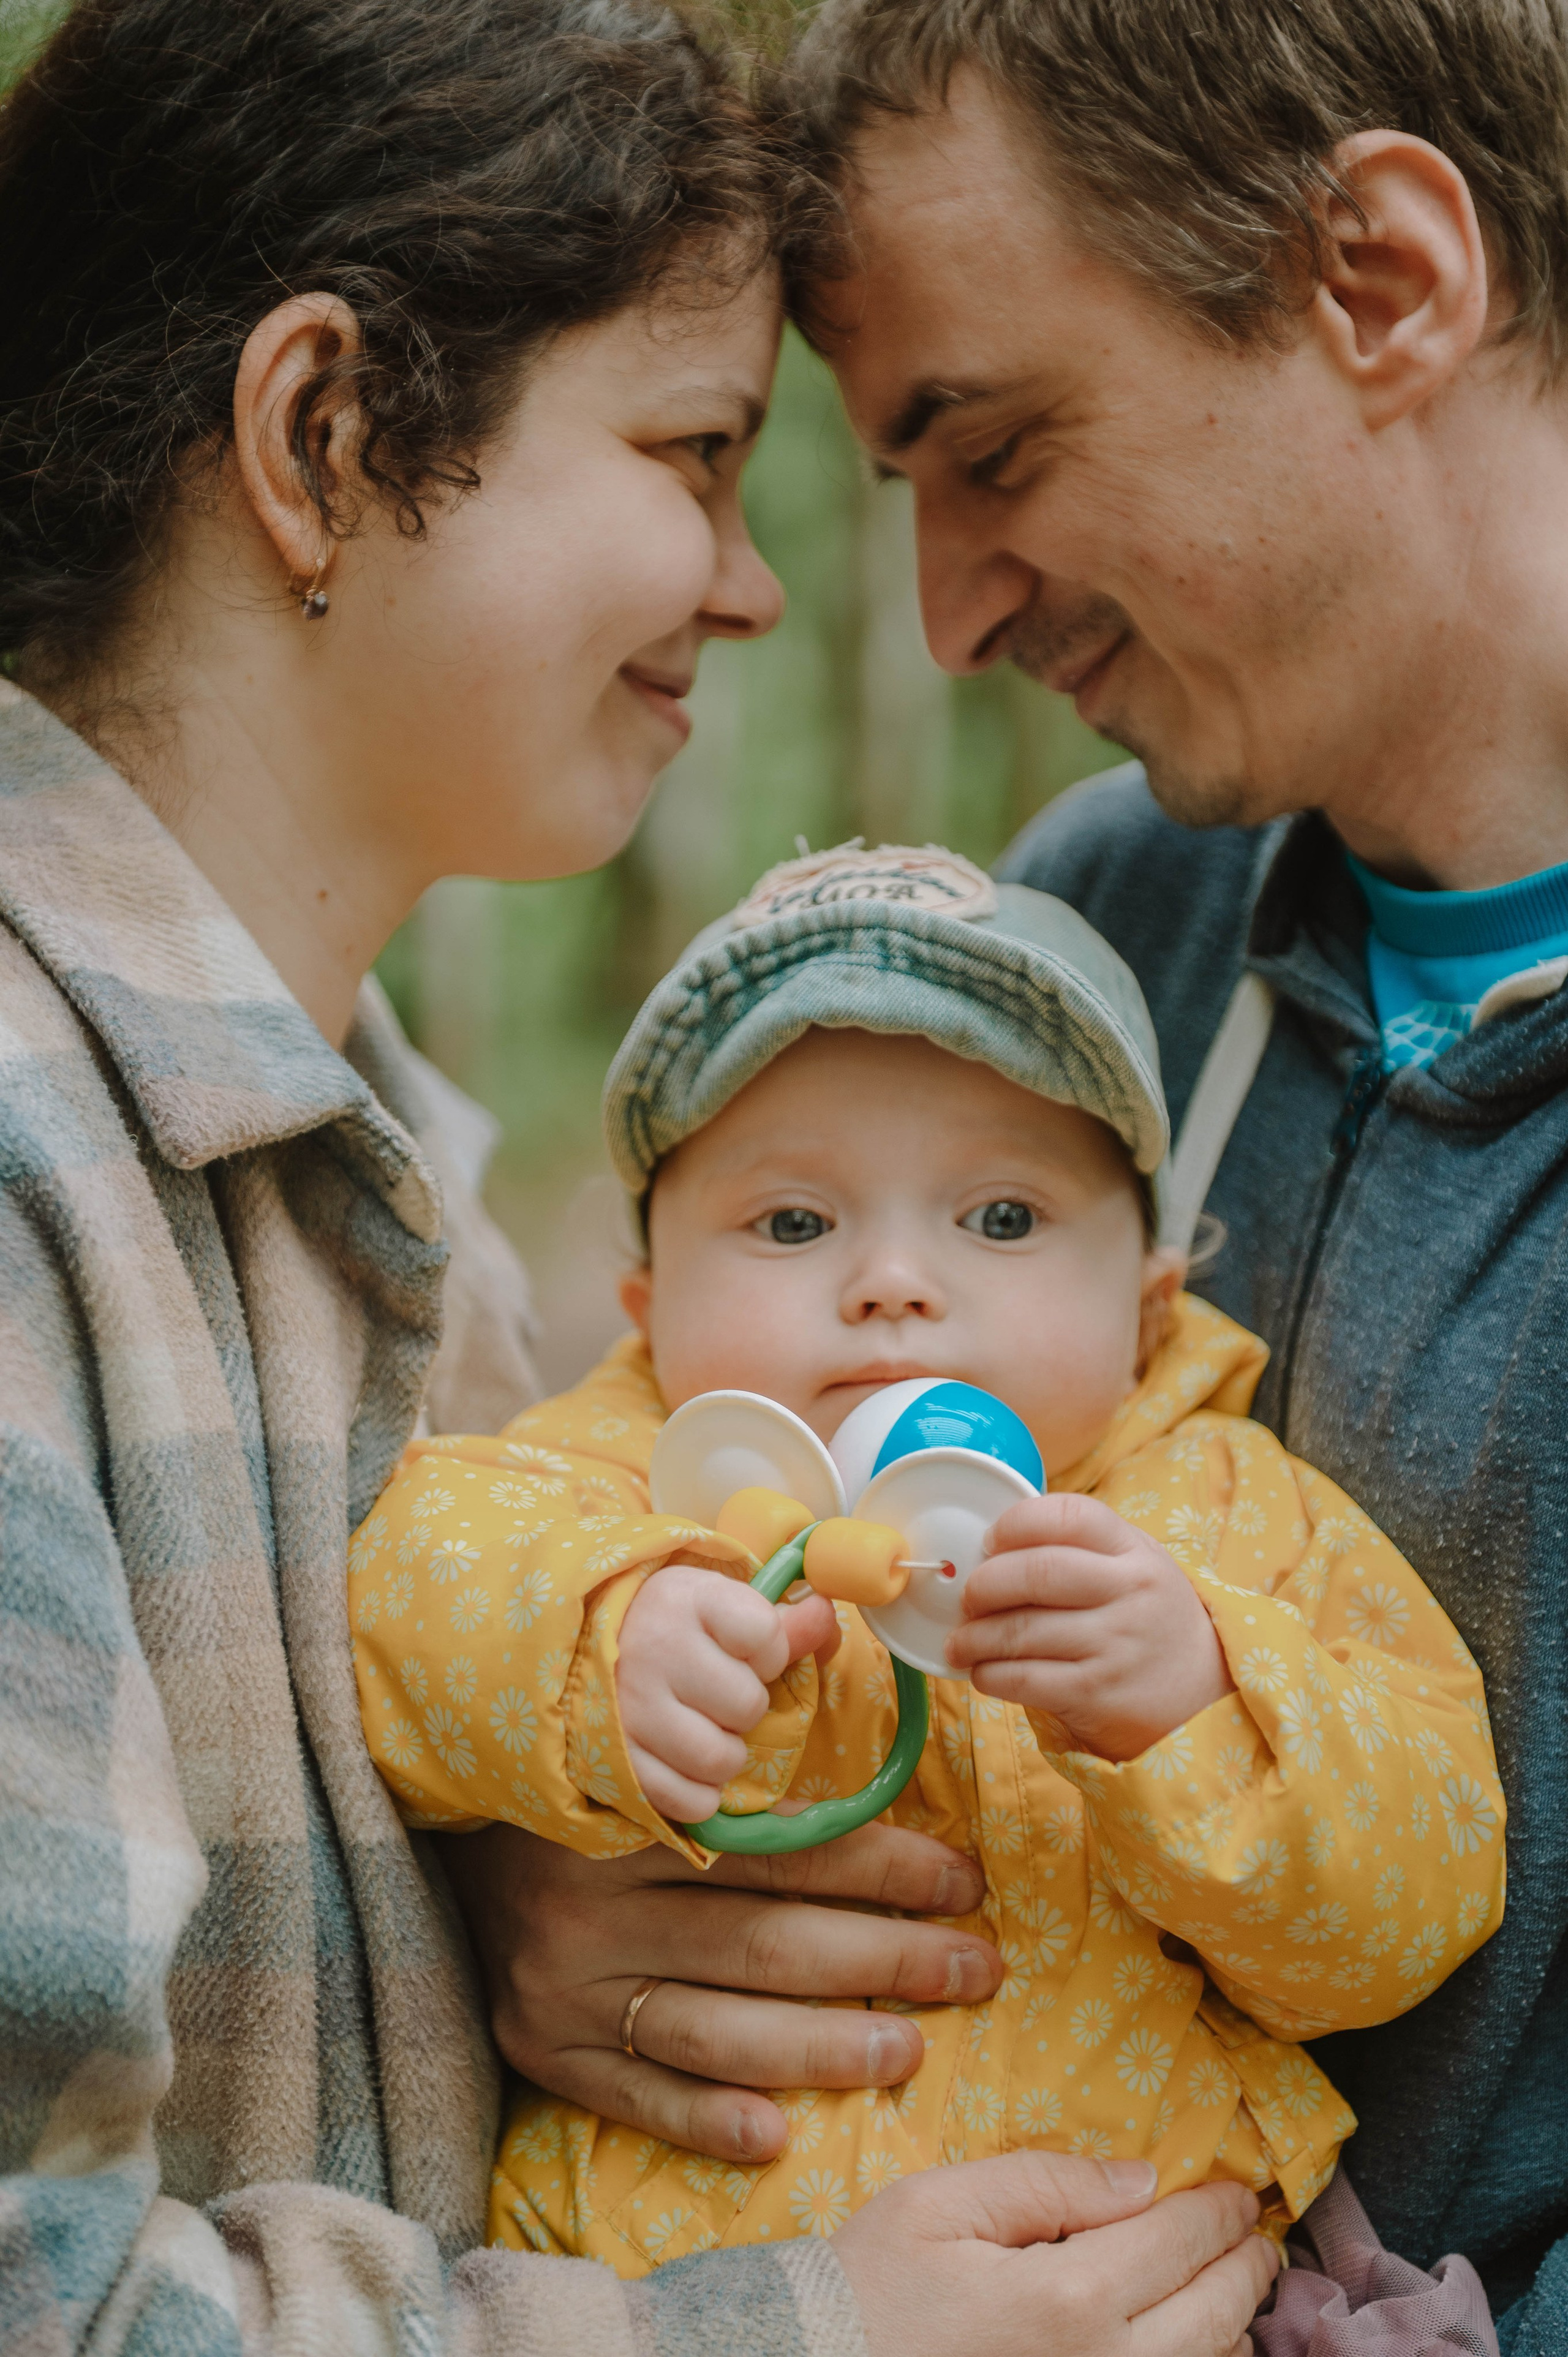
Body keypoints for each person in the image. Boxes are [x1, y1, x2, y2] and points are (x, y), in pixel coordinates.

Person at [0, 2, 1279, 2354]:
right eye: (694, 452)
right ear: (320, 436)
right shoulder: (22, 1173)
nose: (758, 584)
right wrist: (790, 2327)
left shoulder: (376, 1177)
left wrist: (508, 1874)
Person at [483, 1, 1568, 2347]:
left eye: (994, 445)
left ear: (1380, 278)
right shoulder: (1098, 942)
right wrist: (566, 1887)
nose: (960, 608)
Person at [347, 842, 1502, 2276]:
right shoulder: (607, 1480)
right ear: (649, 1306)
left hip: (1134, 2286)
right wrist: (598, 1638)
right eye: (791, 1221)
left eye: (1000, 1218)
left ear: (1148, 1304)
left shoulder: (1232, 1515)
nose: (892, 1279)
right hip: (663, 2279)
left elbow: (1414, 1913)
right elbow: (396, 1602)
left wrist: (1203, 1705)